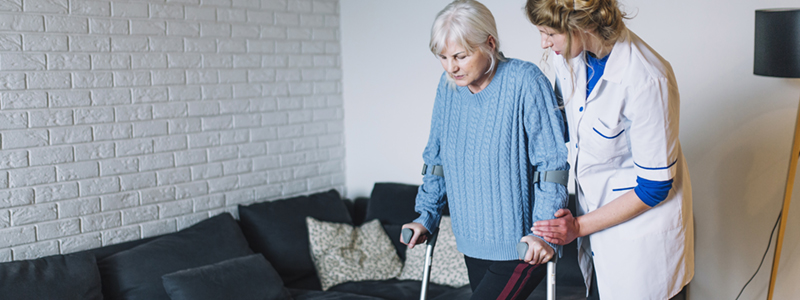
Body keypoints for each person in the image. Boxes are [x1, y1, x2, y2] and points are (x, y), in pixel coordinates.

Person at [399, 0, 570, 299]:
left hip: (523, 246)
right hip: (471, 242)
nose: (452, 67)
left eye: (461, 56)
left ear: (490, 43)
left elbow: (551, 165)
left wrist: (542, 234)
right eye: (443, 57)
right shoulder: (448, 87)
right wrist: (425, 215)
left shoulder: (525, 81)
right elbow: (437, 160)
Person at [524, 0, 694, 299]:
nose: (544, 43)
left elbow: (654, 187)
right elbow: (561, 127)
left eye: (549, 33)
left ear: (580, 25)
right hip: (597, 235)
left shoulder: (646, 78)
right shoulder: (571, 58)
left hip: (642, 245)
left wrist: (576, 226)